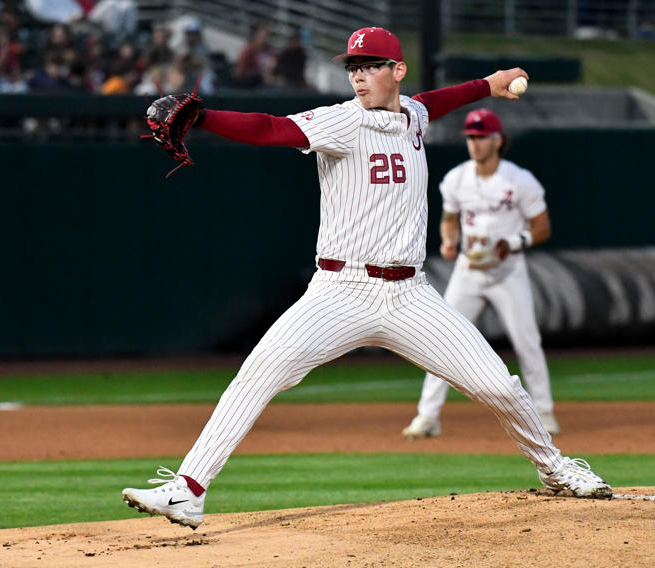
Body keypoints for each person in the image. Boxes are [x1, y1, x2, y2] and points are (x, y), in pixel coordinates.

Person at [122, 26, 611, 530]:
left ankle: (556, 469)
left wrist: (489, 83)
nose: (359, 76)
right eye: (353, 68)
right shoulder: (340, 122)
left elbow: (434, 101)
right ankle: (188, 490)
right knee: (260, 370)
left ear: (396, 70)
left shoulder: (413, 115)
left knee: (500, 387)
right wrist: (204, 117)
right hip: (339, 291)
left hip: (408, 295)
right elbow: (270, 128)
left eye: (371, 66)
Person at [402, 108, 560, 441]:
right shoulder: (457, 178)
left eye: (481, 137)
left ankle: (544, 412)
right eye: (471, 137)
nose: (474, 143)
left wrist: (514, 242)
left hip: (508, 269)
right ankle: (427, 416)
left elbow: (542, 227)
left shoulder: (519, 180)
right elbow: (449, 217)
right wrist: (448, 240)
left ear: (497, 140)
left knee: (527, 341)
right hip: (469, 269)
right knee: (442, 339)